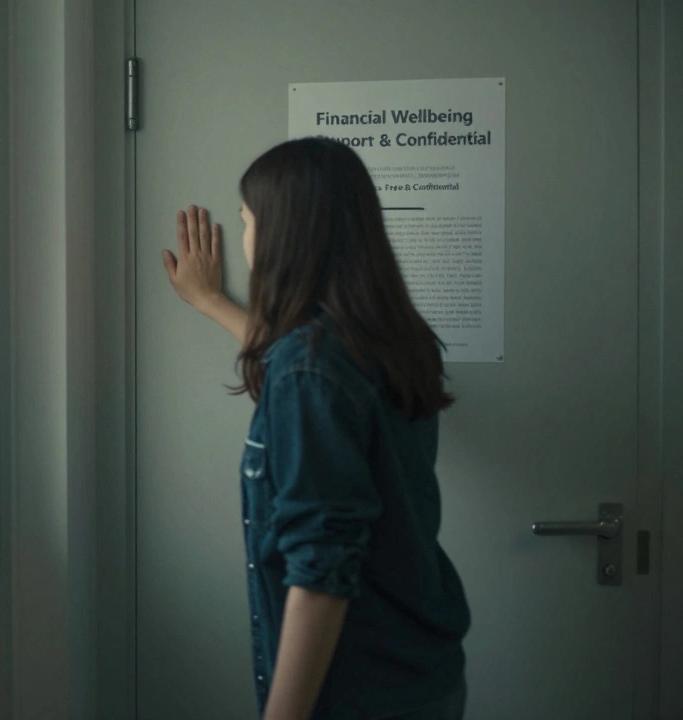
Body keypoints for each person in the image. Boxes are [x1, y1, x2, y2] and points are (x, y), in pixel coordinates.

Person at [160, 138, 471, 720]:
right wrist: (210, 302)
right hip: (422, 673)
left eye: (247, 221)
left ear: (284, 232)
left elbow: (321, 572)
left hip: (358, 694)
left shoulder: (312, 368)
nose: (245, 239)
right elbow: (305, 369)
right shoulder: (394, 340)